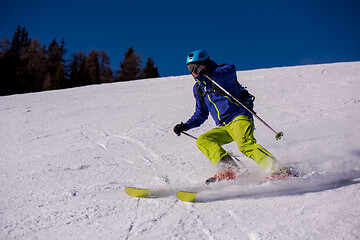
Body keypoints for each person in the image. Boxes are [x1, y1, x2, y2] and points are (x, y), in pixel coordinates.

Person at [173, 50, 290, 184]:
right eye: (189, 68)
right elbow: (201, 114)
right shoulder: (199, 88)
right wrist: (185, 126)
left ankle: (278, 170)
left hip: (239, 117)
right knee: (203, 140)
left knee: (245, 145)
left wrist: (209, 73)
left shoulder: (223, 71)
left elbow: (227, 73)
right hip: (224, 126)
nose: (193, 72)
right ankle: (230, 169)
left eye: (195, 67)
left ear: (205, 64)